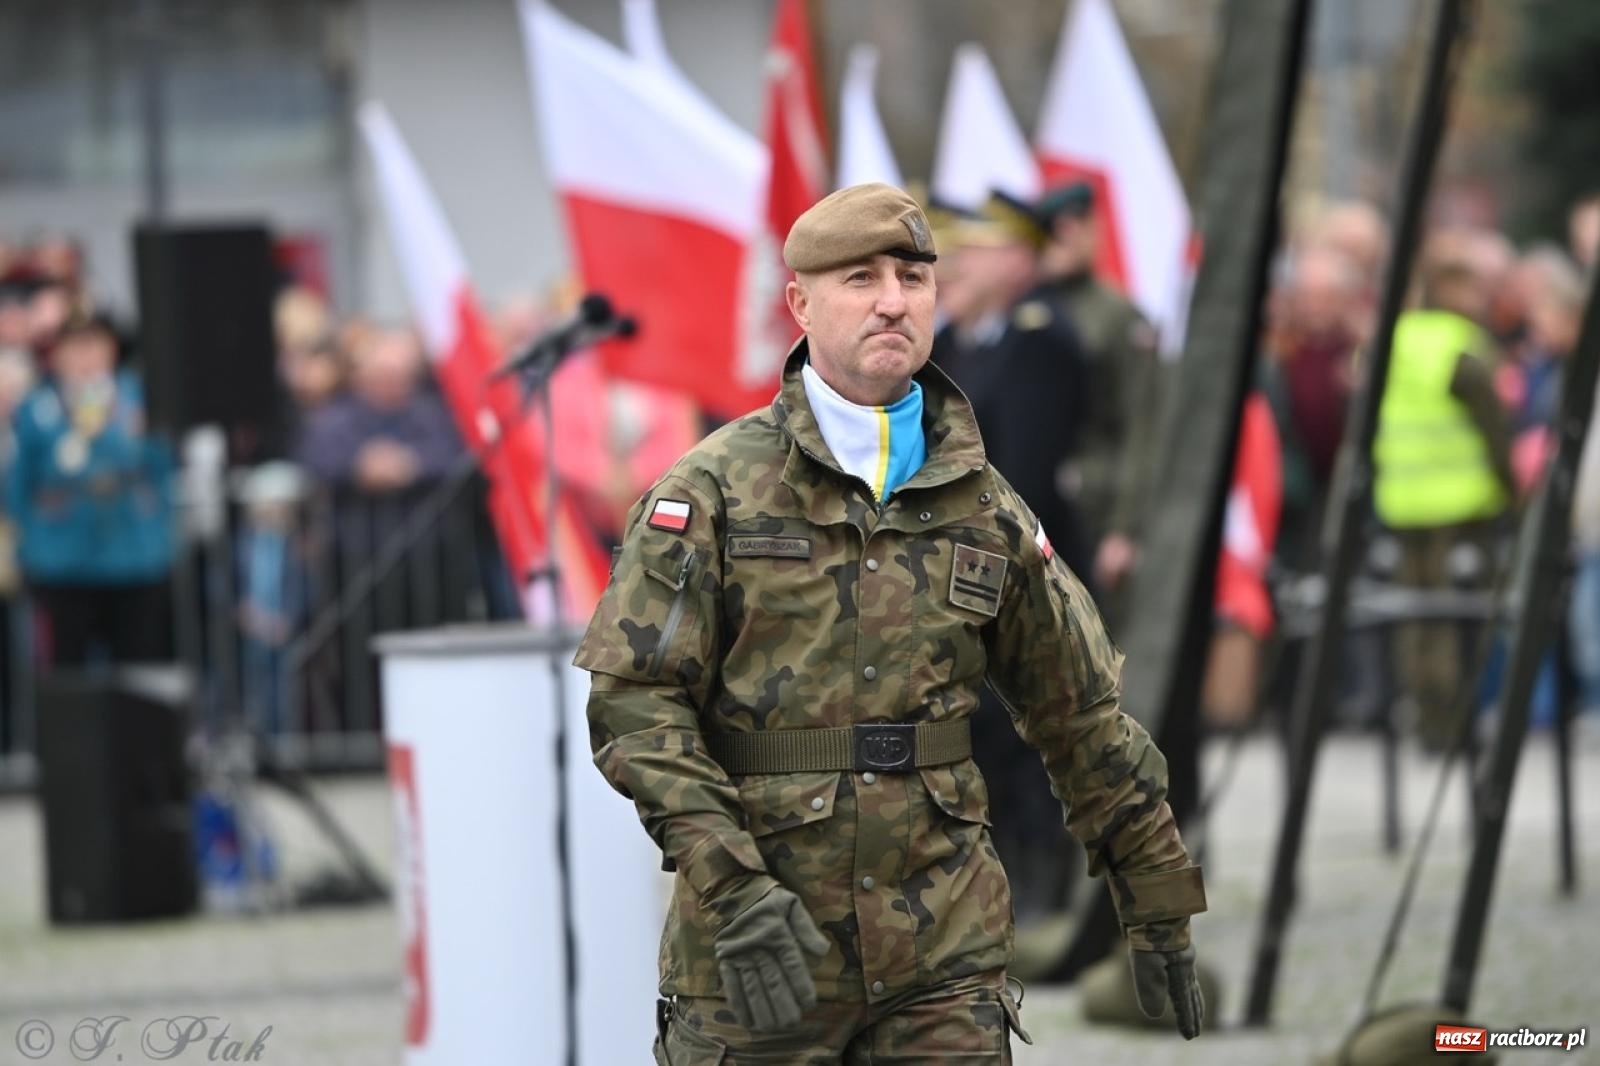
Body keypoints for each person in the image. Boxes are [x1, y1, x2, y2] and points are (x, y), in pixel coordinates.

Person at [574, 183, 1206, 1063]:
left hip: (942, 951)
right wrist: (730, 884)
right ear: (800, 303)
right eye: (859, 278)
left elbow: (1080, 714)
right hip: (762, 948)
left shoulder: (985, 507)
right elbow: (636, 706)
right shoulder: (710, 492)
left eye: (913, 276)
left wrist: (1155, 888)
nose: (891, 301)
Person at [1374, 252, 1515, 750]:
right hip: (1460, 508)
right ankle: (1454, 727)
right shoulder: (1461, 348)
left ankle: (1427, 720)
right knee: (1458, 620)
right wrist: (1511, 491)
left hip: (1402, 503)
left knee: (1415, 622)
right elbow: (1495, 431)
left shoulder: (1393, 343)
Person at [9, 313, 175, 666]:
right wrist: (32, 546)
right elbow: (19, 485)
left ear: (112, 349)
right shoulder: (39, 408)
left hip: (133, 556)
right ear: (58, 354)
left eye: (95, 344)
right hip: (63, 558)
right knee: (68, 674)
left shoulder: (139, 399)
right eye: (75, 345)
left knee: (139, 671)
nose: (86, 356)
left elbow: (162, 470)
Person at [1033, 181, 1163, 629]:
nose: (1064, 239)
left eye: (1076, 227)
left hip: (1094, 503)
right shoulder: (1026, 306)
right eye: (1054, 229)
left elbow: (1142, 427)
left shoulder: (1117, 316)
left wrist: (1124, 529)